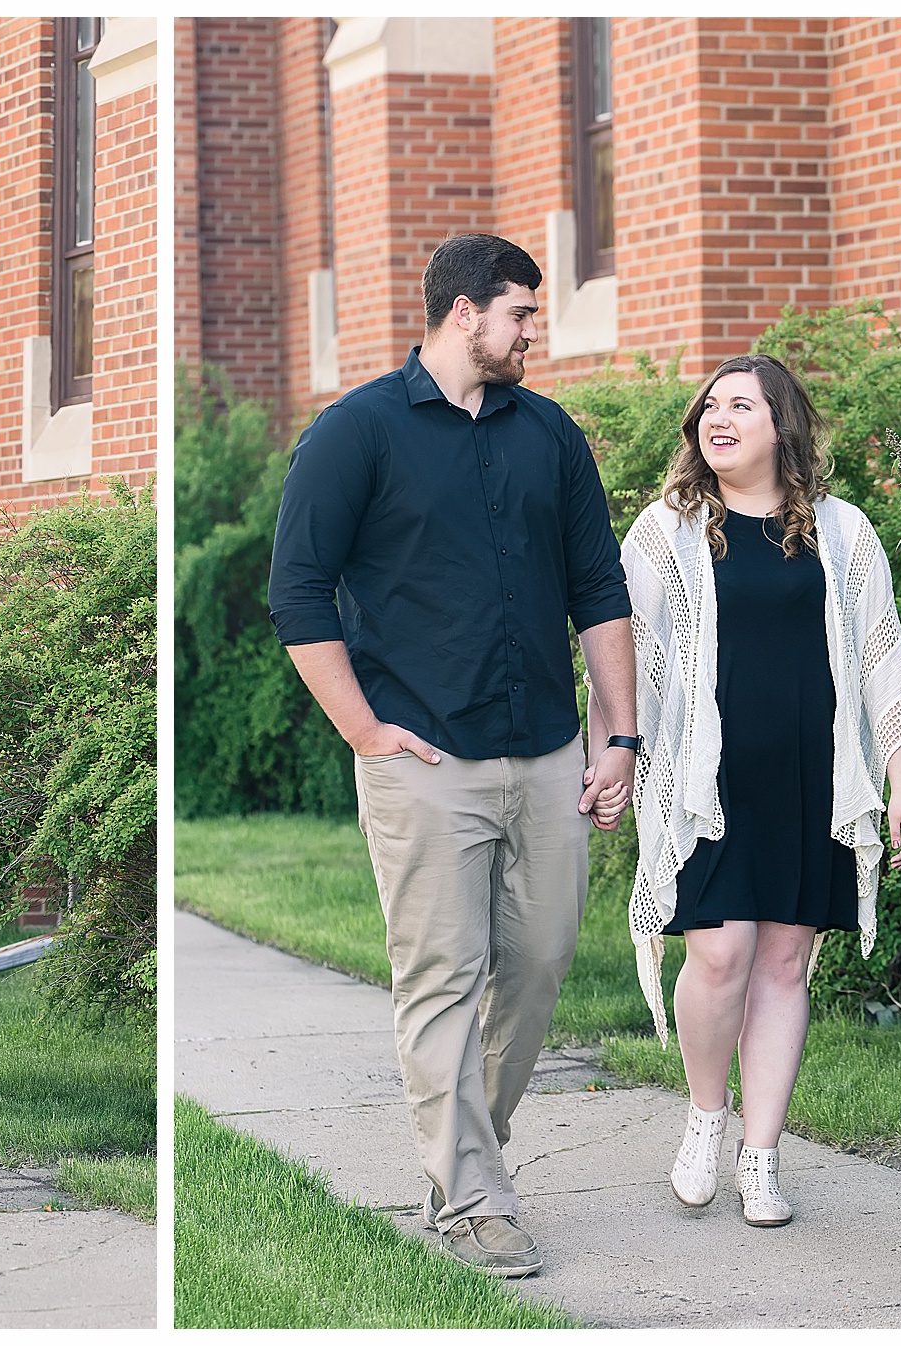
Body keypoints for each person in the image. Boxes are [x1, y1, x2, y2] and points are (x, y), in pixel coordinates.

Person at [268, 233, 637, 1278]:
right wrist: (363, 729)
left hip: (550, 752)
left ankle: (464, 1156)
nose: (535, 332)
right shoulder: (356, 435)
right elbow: (298, 595)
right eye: (522, 312)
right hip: (424, 758)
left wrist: (620, 732)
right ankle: (474, 1194)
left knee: (540, 958)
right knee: (442, 973)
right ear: (464, 311)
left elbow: (599, 589)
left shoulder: (550, 435)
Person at [619, 354, 901, 1226]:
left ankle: (762, 1155)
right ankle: (705, 1120)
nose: (718, 419)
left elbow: (880, 656)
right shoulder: (665, 533)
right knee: (718, 953)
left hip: (812, 777)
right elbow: (631, 657)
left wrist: (898, 783)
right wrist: (619, 756)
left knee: (786, 961)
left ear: (780, 424)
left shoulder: (842, 530)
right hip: (706, 780)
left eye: (740, 406)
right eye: (710, 406)